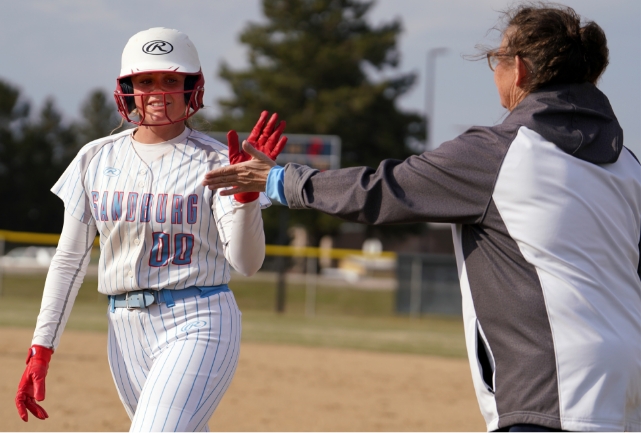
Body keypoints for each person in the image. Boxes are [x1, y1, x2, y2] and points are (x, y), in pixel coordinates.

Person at [202, 4, 641, 432]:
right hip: (629, 389)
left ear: (519, 70)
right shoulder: (627, 162)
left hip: (553, 393)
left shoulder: (500, 153)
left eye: (496, 60)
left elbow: (380, 190)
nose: (494, 73)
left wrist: (280, 180)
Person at [15, 27, 286, 432]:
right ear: (128, 88)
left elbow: (247, 263)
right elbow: (69, 260)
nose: (158, 91)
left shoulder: (218, 161)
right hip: (124, 331)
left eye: (171, 80)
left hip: (199, 318)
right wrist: (41, 347)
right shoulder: (95, 156)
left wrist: (246, 201)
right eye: (145, 80)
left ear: (191, 87)